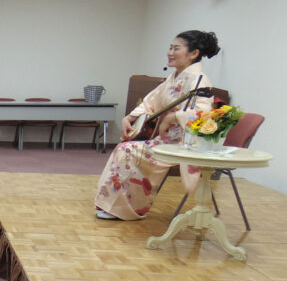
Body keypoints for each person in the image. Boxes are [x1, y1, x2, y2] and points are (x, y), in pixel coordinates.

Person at [94, 30, 220, 220]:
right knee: (125, 149)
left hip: (185, 142)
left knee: (127, 151)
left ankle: (129, 208)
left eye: (176, 48)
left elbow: (204, 115)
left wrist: (174, 117)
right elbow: (151, 101)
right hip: (167, 138)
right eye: (170, 47)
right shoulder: (174, 77)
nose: (170, 52)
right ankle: (120, 206)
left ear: (194, 53)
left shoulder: (199, 80)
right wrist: (130, 117)